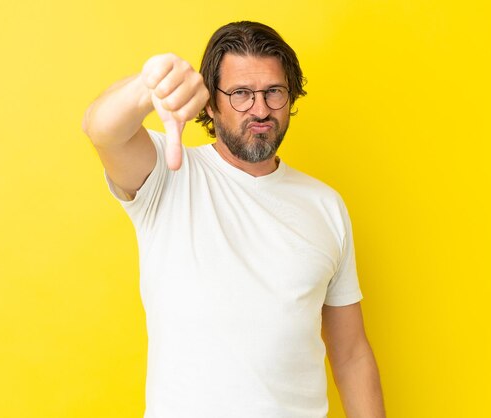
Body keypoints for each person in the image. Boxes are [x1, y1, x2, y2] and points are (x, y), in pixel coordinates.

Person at [82, 21, 385, 418]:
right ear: (210, 102)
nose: (260, 109)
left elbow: (351, 354)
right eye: (241, 94)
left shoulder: (325, 205)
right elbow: (102, 130)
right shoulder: (168, 176)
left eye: (273, 92)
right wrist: (148, 85)